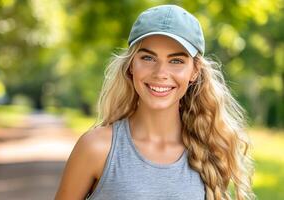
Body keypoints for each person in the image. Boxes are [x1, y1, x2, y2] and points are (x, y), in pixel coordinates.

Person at [55, 4, 255, 200]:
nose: (160, 73)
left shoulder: (210, 152)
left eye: (176, 61)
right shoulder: (96, 147)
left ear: (194, 71)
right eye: (148, 58)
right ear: (131, 65)